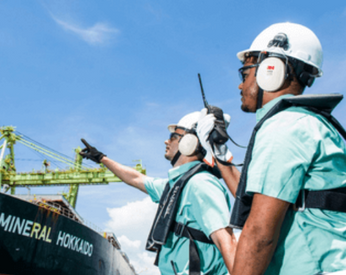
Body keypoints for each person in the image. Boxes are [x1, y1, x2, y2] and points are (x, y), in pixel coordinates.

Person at [197, 22, 346, 275]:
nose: (240, 86)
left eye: (244, 74)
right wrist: (220, 154)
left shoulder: (285, 127)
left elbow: (259, 233)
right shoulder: (304, 122)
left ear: (271, 68)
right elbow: (260, 201)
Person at [79, 111, 237, 275]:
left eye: (173, 136)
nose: (166, 141)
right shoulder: (175, 187)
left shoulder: (201, 184)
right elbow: (136, 179)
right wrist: (102, 158)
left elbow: (227, 242)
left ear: (191, 142)